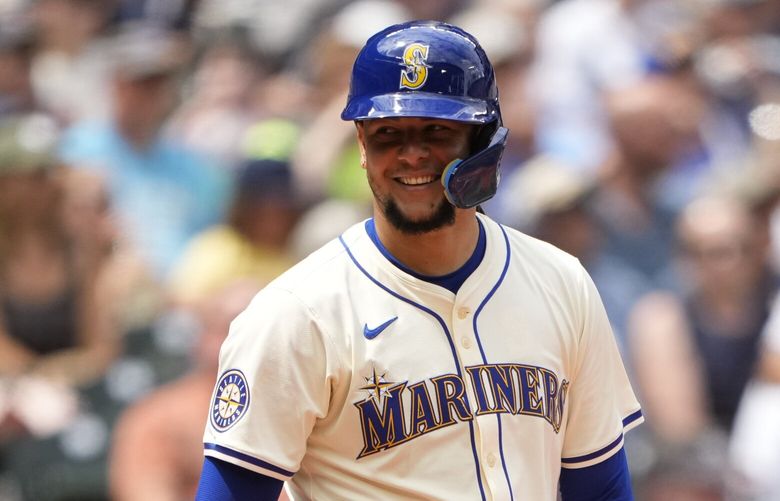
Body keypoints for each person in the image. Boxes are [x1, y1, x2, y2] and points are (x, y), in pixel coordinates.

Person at [196, 21, 643, 500]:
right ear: (363, 147)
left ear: (482, 142)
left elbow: (599, 487)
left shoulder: (561, 281)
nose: (412, 155)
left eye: (436, 131)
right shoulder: (297, 313)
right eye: (389, 134)